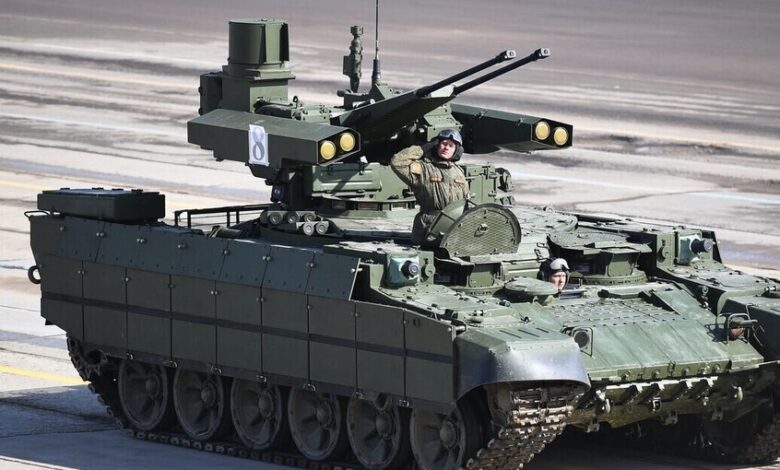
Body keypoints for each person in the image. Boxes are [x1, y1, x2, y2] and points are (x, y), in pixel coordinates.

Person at [390, 129, 469, 244]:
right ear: (436, 145)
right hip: (428, 228)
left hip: (453, 228)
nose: (446, 148)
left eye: (451, 146)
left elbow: (465, 200)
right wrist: (422, 149)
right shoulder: (423, 168)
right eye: (444, 144)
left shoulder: (459, 172)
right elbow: (397, 162)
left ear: (457, 150)